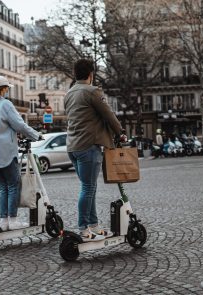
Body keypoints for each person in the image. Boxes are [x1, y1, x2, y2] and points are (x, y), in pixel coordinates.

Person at [64, 59, 122, 241]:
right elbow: (108, 114)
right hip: (89, 146)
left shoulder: (69, 93)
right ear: (91, 74)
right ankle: (83, 228)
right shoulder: (92, 91)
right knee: (88, 188)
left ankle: (94, 225)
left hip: (72, 146)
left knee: (90, 188)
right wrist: (120, 132)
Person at [0, 76, 41, 231]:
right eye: (7, 88)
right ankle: (13, 220)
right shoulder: (5, 104)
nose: (8, 91)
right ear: (3, 89)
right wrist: (36, 135)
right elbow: (19, 124)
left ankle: (4, 220)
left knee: (3, 186)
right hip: (5, 152)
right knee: (13, 184)